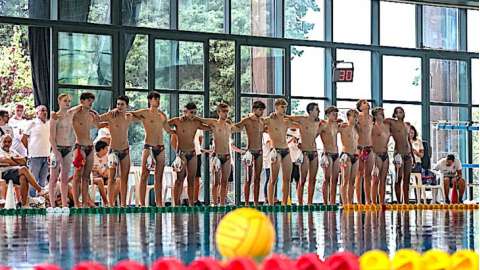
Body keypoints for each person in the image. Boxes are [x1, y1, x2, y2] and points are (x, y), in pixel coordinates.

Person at [128, 91, 175, 206]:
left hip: (161, 148)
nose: (158, 101)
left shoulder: (162, 115)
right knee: (144, 175)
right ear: (150, 100)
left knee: (159, 177)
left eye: (159, 99)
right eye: (155, 99)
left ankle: (159, 203)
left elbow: (168, 130)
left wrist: (180, 130)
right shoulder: (144, 113)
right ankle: (142, 204)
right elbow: (129, 114)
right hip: (148, 147)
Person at [196, 103, 240, 205]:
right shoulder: (214, 123)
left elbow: (241, 126)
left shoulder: (229, 126)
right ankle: (215, 203)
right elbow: (201, 120)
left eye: (227, 112)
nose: (226, 114)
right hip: (217, 157)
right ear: (218, 112)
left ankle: (222, 203)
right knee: (216, 182)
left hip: (227, 157)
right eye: (224, 112)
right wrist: (190, 117)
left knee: (225, 182)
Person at [168, 102, 210, 206]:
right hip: (182, 154)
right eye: (191, 112)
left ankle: (191, 204)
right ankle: (176, 204)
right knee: (179, 180)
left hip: (193, 153)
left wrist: (200, 119)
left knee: (191, 180)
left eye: (195, 113)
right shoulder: (177, 121)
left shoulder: (196, 122)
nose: (193, 115)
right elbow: (164, 124)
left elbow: (210, 126)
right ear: (185, 111)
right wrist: (172, 132)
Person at [97, 96, 135, 207]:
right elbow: (98, 118)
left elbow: (141, 115)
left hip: (125, 150)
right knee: (111, 178)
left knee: (124, 178)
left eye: (122, 104)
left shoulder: (129, 116)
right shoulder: (111, 115)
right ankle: (110, 203)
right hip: (113, 151)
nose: (119, 106)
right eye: (117, 104)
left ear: (127, 106)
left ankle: (123, 204)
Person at [284, 102, 321, 205]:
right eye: (317, 109)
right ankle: (300, 203)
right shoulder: (302, 119)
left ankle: (309, 202)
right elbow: (288, 117)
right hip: (304, 153)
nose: (319, 111)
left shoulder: (319, 122)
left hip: (314, 152)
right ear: (310, 111)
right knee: (302, 179)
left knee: (313, 179)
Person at [263, 98, 298, 205]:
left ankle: (284, 203)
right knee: (273, 179)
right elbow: (257, 122)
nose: (284, 109)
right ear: (276, 107)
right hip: (276, 150)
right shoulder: (270, 120)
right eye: (282, 107)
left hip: (286, 150)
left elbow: (298, 124)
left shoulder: (286, 120)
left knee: (287, 179)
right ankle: (270, 203)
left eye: (285, 107)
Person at [69, 92, 101, 208]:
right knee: (77, 176)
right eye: (88, 101)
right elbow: (68, 113)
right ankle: (76, 203)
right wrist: (80, 106)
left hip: (90, 147)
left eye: (92, 101)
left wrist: (97, 116)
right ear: (82, 101)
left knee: (86, 177)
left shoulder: (91, 115)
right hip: (79, 147)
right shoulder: (75, 114)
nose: (91, 103)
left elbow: (99, 125)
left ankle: (84, 203)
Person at [233, 100, 266, 206]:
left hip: (259, 152)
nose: (261, 112)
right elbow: (236, 127)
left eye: (262, 110)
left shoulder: (262, 122)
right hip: (250, 152)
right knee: (248, 178)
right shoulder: (247, 120)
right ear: (254, 109)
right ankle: (246, 203)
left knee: (257, 178)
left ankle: (256, 202)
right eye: (260, 110)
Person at [0, 134, 47, 207]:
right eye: (5, 141)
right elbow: (4, 160)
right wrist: (15, 161)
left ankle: (23, 204)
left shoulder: (13, 151)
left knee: (23, 177)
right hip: (3, 173)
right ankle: (39, 189)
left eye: (9, 142)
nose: (7, 144)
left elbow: (24, 161)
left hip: (15, 172)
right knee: (23, 169)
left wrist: (11, 159)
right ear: (1, 142)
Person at [48, 94, 76, 209]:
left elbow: (81, 107)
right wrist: (56, 152)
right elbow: (51, 138)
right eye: (65, 101)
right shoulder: (55, 116)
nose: (68, 103)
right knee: (53, 178)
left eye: (69, 101)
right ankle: (53, 205)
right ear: (59, 101)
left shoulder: (71, 115)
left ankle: (64, 204)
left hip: (68, 148)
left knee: (64, 178)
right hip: (57, 148)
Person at [385, 106, 412, 204]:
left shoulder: (406, 125)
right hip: (398, 154)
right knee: (399, 177)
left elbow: (409, 141)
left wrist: (412, 154)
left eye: (402, 112)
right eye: (399, 112)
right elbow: (384, 120)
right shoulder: (393, 123)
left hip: (408, 154)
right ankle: (399, 201)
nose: (401, 114)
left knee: (407, 178)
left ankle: (406, 201)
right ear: (395, 114)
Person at [21, 105, 50, 197]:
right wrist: (30, 151)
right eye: (42, 110)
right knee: (33, 179)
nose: (44, 112)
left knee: (43, 180)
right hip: (35, 156)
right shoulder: (32, 123)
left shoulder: (48, 124)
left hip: (46, 155)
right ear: (37, 113)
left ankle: (40, 201)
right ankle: (31, 200)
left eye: (45, 110)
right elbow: (23, 138)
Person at [318, 106, 341, 205]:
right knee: (327, 178)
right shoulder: (323, 125)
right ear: (328, 115)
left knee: (335, 179)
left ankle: (332, 202)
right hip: (327, 154)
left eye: (336, 114)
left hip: (336, 154)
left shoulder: (337, 125)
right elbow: (314, 134)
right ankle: (325, 202)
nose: (335, 116)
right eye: (333, 114)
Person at [355, 99, 374, 205]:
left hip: (369, 148)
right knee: (359, 175)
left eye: (367, 102)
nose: (367, 104)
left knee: (368, 175)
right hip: (360, 147)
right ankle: (358, 201)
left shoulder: (371, 118)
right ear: (360, 107)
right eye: (364, 103)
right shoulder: (357, 117)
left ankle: (368, 200)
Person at [338, 109, 359, 205]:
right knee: (345, 180)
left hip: (355, 156)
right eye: (353, 116)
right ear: (348, 117)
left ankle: (350, 203)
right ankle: (344, 203)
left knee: (352, 181)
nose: (356, 118)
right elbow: (332, 129)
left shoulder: (356, 129)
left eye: (356, 116)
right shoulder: (343, 127)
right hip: (346, 155)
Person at [371, 107, 390, 204]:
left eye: (383, 112)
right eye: (380, 113)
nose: (382, 114)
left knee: (383, 180)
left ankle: (382, 202)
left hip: (385, 155)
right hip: (376, 155)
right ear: (375, 115)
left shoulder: (387, 126)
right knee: (375, 180)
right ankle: (373, 202)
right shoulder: (372, 127)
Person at [91, 140, 111, 206]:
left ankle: (113, 201)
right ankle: (106, 202)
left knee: (114, 181)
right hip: (93, 178)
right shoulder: (92, 157)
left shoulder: (107, 158)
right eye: (106, 149)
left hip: (104, 176)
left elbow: (108, 168)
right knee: (100, 180)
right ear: (101, 149)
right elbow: (90, 168)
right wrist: (96, 169)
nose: (107, 150)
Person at [409, 125, 424, 193]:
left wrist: (415, 152)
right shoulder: (404, 141)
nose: (411, 134)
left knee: (418, 182)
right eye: (409, 133)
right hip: (406, 163)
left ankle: (418, 199)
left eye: (412, 133)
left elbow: (421, 155)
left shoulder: (418, 141)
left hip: (417, 163)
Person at [193, 129, 204, 205]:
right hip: (185, 152)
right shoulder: (181, 123)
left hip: (197, 154)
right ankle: (187, 199)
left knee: (197, 177)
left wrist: (198, 148)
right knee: (184, 178)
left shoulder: (198, 127)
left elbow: (200, 139)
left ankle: (195, 200)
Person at [262, 133, 273, 203]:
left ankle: (271, 197)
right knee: (269, 178)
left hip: (270, 158)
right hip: (267, 159)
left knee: (272, 179)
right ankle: (267, 197)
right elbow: (269, 142)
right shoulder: (266, 134)